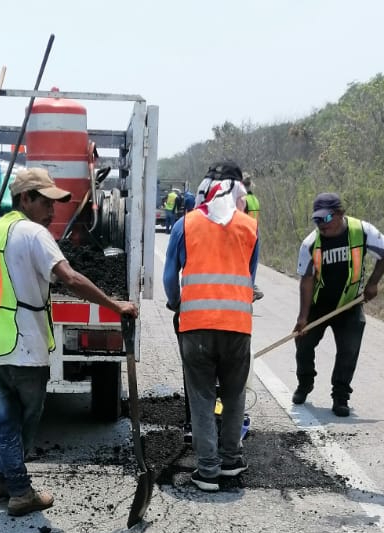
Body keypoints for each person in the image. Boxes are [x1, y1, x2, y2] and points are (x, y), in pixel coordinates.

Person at [0, 168, 138, 516]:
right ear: (25, 198)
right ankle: (20, 491)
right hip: (25, 347)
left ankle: (1, 478)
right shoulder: (33, 233)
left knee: (6, 419)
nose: (52, 211)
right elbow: (70, 278)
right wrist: (115, 305)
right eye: (46, 202)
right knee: (21, 422)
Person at [164, 160, 260, 492]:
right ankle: (231, 460)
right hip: (237, 326)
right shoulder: (250, 227)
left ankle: (207, 470)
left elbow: (168, 279)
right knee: (234, 395)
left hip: (196, 327)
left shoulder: (184, 225)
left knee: (202, 396)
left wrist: (178, 303)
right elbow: (250, 277)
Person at [291, 192, 384, 417]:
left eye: (326, 219)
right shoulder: (310, 244)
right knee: (303, 346)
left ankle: (340, 396)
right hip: (319, 304)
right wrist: (302, 318)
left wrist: (373, 283)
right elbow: (307, 280)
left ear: (340, 214)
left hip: (350, 304)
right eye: (317, 220)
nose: (321, 225)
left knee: (348, 351)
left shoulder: (363, 231)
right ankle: (305, 383)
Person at [242, 176, 264, 301]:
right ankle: (251, 288)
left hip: (245, 234)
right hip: (255, 232)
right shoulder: (255, 199)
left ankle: (247, 291)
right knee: (252, 266)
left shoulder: (243, 199)